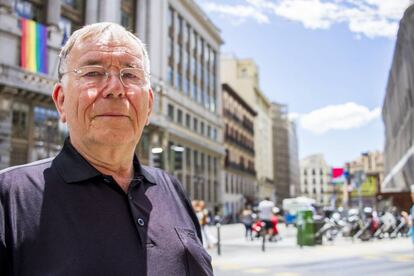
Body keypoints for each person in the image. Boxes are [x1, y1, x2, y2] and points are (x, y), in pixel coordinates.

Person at [0, 23, 213, 276]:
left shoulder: (171, 188)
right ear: (61, 101)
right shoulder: (10, 197)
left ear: (149, 106)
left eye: (130, 74)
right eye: (93, 72)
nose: (115, 88)